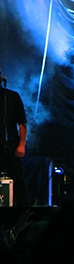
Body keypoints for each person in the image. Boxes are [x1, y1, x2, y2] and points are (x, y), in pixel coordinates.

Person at [0, 67, 27, 206]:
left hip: (11, 146)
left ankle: (24, 213)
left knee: (19, 182)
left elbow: (22, 122)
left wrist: (22, 144)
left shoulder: (12, 96)